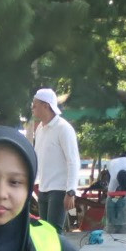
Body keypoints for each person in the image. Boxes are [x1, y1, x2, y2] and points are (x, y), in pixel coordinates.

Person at [30, 87, 80, 232]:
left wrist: (71, 191)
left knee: (54, 232)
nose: (32, 108)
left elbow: (73, 161)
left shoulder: (64, 128)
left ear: (46, 105)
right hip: (44, 188)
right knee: (45, 232)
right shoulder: (40, 128)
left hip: (60, 190)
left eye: (35, 104)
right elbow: (37, 157)